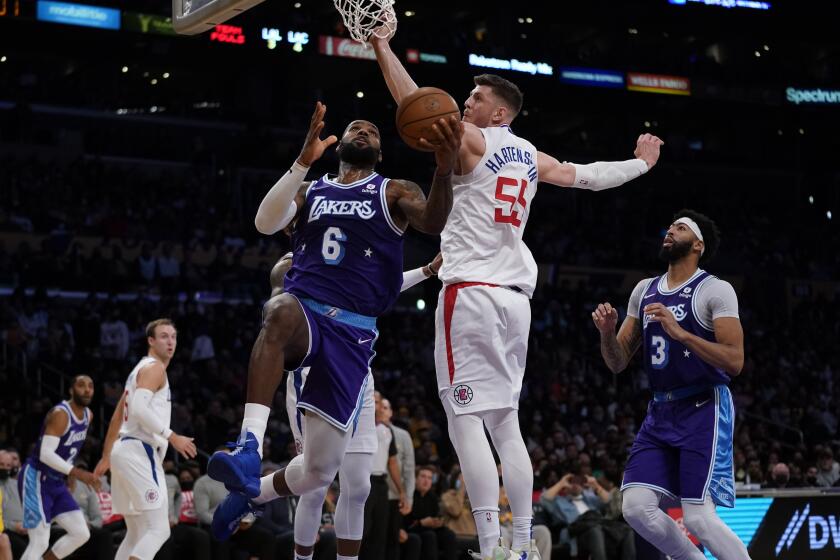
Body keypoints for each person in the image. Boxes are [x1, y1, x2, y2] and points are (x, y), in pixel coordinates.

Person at [369, 28, 663, 560]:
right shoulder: (529, 154)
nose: (466, 101)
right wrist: (641, 164)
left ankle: (489, 546)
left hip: (472, 294)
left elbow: (412, 101)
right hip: (514, 301)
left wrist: (381, 47)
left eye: (477, 98)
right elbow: (589, 176)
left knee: (464, 422)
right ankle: (524, 544)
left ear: (499, 114)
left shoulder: (474, 139)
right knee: (506, 422)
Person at [208, 101, 460, 560]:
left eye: (372, 131)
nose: (363, 130)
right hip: (307, 315)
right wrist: (302, 159)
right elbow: (264, 223)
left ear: (380, 152)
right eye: (354, 127)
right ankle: (248, 445)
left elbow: (435, 222)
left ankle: (252, 493)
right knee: (278, 309)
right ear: (338, 145)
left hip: (354, 337)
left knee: (318, 472)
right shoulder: (311, 189)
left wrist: (443, 170)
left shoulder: (393, 190)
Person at [592, 210, 749, 560]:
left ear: (697, 244)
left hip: (704, 407)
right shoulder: (644, 290)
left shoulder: (715, 290)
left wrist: (682, 333)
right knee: (634, 507)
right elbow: (617, 362)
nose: (669, 231)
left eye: (679, 228)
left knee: (699, 519)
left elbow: (735, 361)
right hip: (661, 411)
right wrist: (606, 334)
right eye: (669, 226)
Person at [272, 248, 440, 560]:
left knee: (360, 486)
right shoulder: (295, 258)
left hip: (359, 376)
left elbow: (384, 285)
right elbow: (281, 291)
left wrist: (428, 270)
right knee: (315, 485)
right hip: (313, 375)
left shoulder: (353, 247)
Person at [94, 318, 198, 560]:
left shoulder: (137, 372)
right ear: (151, 341)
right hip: (139, 450)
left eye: (173, 336)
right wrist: (174, 437)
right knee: (158, 530)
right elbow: (139, 411)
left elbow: (118, 415)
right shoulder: (155, 369)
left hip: (125, 451)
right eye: (164, 336)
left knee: (137, 532)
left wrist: (107, 455)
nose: (170, 341)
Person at [18, 375, 99, 560]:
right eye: (81, 385)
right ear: (71, 390)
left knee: (81, 533)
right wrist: (77, 473)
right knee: (39, 541)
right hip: (36, 478)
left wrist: (69, 473)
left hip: (56, 482)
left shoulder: (89, 415)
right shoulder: (61, 414)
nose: (87, 390)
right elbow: (45, 454)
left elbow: (69, 449)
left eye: (90, 386)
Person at [540, 473, 633, 560]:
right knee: (595, 530)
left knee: (626, 530)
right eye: (572, 483)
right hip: (577, 533)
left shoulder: (590, 499)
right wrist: (561, 483)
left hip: (600, 527)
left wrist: (595, 485)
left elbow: (608, 499)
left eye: (579, 483)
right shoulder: (560, 502)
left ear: (583, 486)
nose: (576, 485)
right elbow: (544, 500)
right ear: (566, 488)